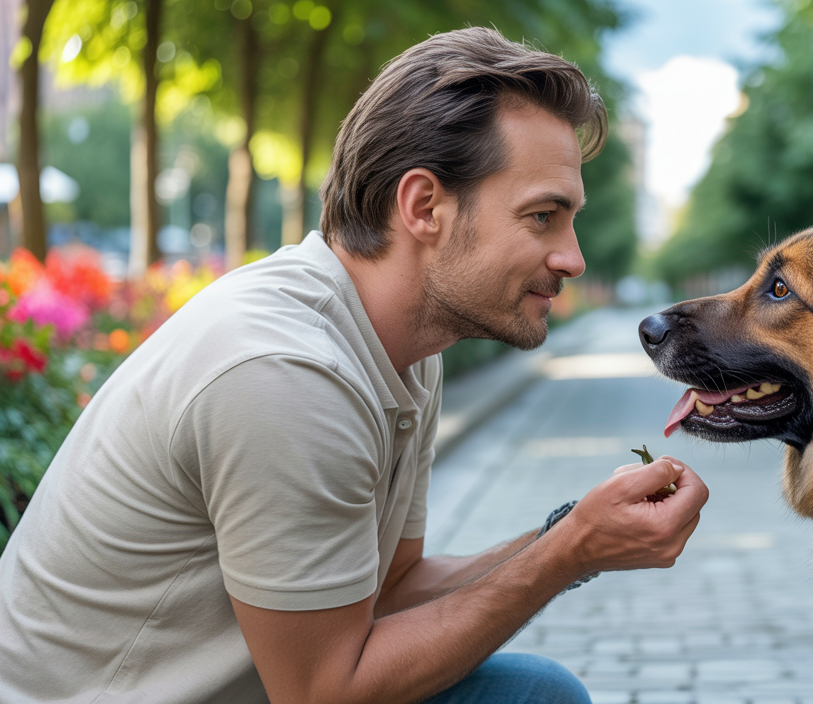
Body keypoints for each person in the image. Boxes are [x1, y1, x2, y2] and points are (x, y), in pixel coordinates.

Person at [0, 27, 709, 704]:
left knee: (531, 694)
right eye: (542, 217)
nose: (573, 258)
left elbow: (391, 590)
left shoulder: (403, 350)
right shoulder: (285, 373)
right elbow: (324, 693)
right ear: (424, 205)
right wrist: (570, 554)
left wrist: (567, 529)